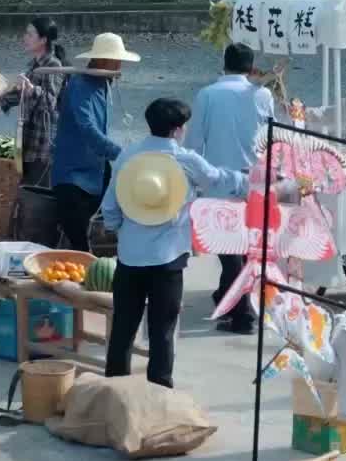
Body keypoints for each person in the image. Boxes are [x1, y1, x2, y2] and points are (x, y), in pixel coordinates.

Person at [101, 98, 248, 388]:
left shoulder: (128, 156)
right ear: (178, 129)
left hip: (129, 258)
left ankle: (113, 392)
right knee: (162, 332)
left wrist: (121, 228)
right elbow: (219, 180)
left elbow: (109, 208)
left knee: (122, 329)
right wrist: (255, 180)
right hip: (168, 260)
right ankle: (160, 392)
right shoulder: (185, 160)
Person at [184, 43, 273, 334]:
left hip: (219, 180)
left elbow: (194, 144)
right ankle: (229, 299)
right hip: (255, 181)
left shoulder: (208, 95)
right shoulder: (263, 95)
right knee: (245, 248)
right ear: (251, 66)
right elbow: (271, 139)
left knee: (230, 249)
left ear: (224, 64)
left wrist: (192, 181)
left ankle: (242, 314)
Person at [51, 32, 140, 251]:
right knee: (79, 243)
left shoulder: (102, 84)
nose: (119, 66)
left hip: (95, 170)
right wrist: (122, 153)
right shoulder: (80, 85)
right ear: (101, 60)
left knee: (87, 238)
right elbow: (88, 129)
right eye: (115, 61)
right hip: (72, 175)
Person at [0, 14, 66, 242]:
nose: (25, 37)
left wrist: (32, 90)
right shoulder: (33, 65)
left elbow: (50, 102)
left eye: (30, 34)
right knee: (26, 189)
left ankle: (36, 242)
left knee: (36, 195)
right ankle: (22, 239)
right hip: (28, 139)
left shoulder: (53, 66)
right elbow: (20, 92)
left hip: (43, 142)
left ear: (43, 39)